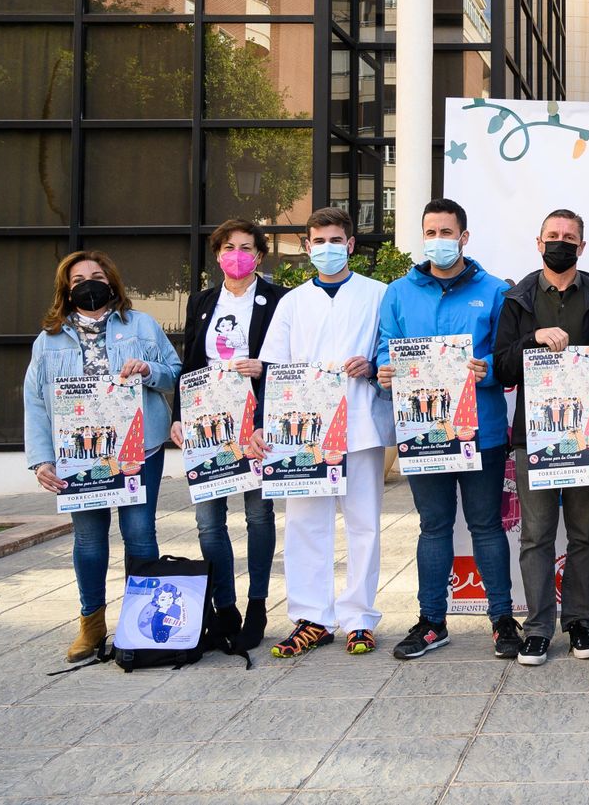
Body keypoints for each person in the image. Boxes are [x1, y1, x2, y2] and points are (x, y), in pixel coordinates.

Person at [24, 251, 182, 661]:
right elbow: (36, 402)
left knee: (140, 534)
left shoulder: (141, 324)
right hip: (80, 457)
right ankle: (91, 626)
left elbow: (176, 370)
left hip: (139, 450)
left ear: (111, 282)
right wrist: (42, 459)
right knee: (90, 542)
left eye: (96, 276)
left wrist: (148, 369)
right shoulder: (49, 339)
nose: (88, 284)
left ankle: (140, 624)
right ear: (66, 288)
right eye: (78, 279)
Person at [376, 199, 514, 660]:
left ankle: (501, 620)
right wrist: (385, 368)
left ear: (464, 237)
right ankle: (432, 622)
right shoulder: (398, 293)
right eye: (430, 231)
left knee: (486, 527)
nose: (438, 239)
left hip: (483, 431)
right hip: (423, 433)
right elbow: (385, 346)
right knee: (433, 528)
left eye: (446, 231)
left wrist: (488, 367)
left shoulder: (494, 291)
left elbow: (509, 354)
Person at [493, 209, 589, 666]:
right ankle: (536, 629)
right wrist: (533, 338)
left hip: (586, 437)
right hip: (532, 437)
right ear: (539, 242)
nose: (561, 242)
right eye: (553, 235)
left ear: (582, 247)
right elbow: (503, 365)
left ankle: (579, 623)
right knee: (535, 535)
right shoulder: (518, 299)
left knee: (585, 534)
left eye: (569, 237)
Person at [258, 207, 393, 658]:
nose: (327, 248)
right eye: (319, 241)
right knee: (304, 524)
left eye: (336, 240)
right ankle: (312, 617)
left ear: (351, 245)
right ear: (308, 245)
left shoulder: (378, 294)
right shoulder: (292, 302)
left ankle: (358, 618)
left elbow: (390, 352)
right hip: (304, 431)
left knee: (364, 524)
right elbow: (275, 367)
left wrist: (373, 367)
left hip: (360, 422)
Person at [171, 218, 289, 653]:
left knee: (258, 516)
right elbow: (189, 364)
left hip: (257, 421)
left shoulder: (277, 299)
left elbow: (292, 360)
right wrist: (179, 415)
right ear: (217, 253)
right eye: (227, 246)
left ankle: (257, 606)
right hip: (207, 423)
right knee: (208, 521)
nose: (236, 254)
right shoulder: (201, 301)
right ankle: (225, 607)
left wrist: (266, 370)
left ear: (258, 255)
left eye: (245, 247)